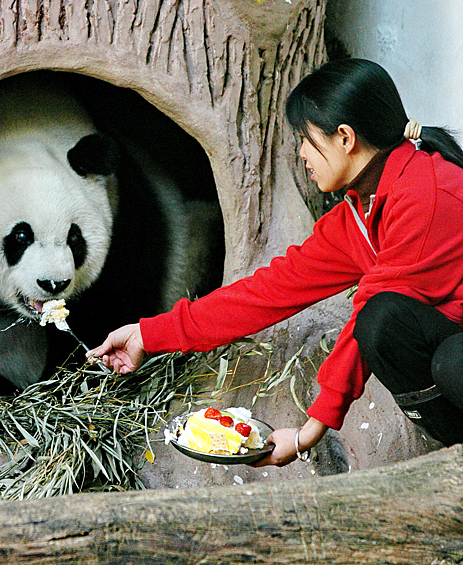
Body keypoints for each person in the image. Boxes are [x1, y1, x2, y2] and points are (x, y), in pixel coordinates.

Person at [89, 58, 463, 467]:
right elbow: (267, 291)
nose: (301, 153)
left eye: (305, 138)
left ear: (345, 138)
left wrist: (310, 431)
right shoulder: (361, 214)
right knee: (396, 331)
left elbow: (371, 312)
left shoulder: (429, 195)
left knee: (416, 341)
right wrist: (150, 334)